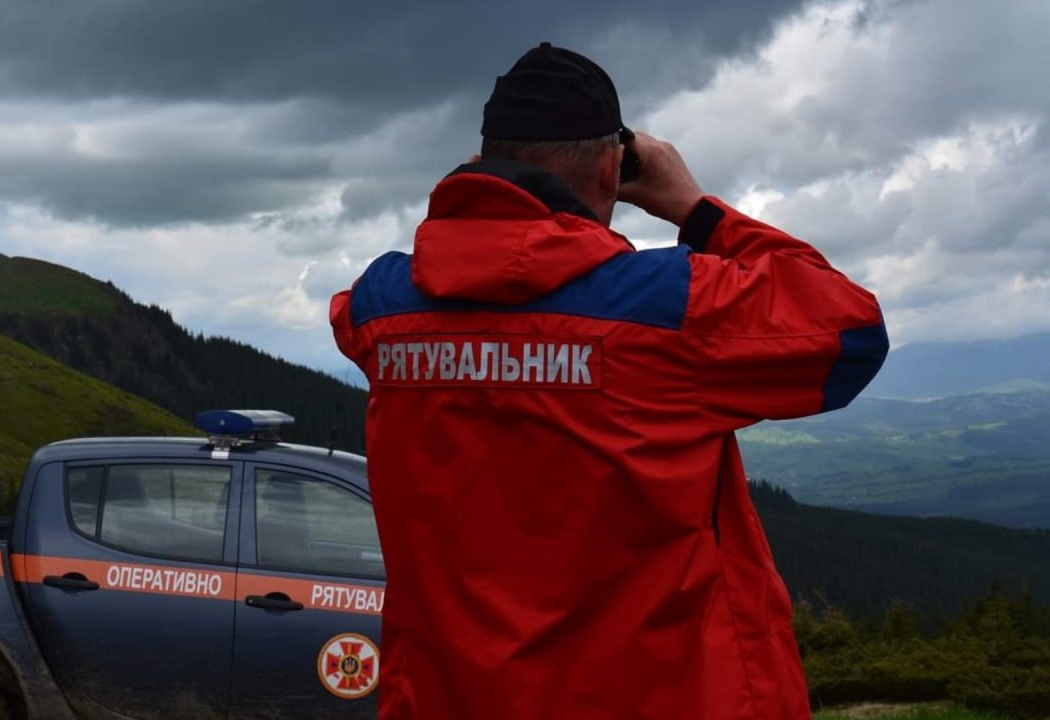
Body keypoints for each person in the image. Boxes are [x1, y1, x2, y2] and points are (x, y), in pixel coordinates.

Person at [330, 42, 887, 720]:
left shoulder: (382, 309)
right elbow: (853, 329)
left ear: (483, 161)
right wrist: (694, 208)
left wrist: (476, 203)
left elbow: (388, 309)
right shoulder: (663, 309)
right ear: (609, 168)